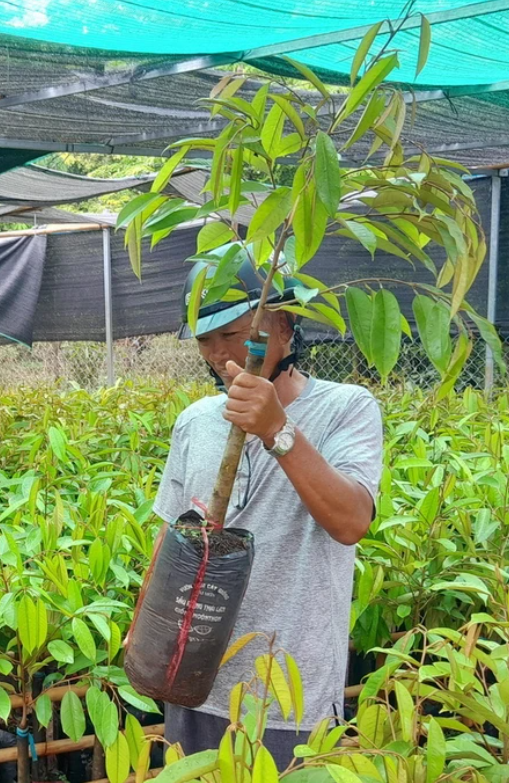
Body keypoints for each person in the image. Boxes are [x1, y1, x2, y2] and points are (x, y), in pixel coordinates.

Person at [153, 257, 384, 769]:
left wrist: (277, 431)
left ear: (283, 326)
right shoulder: (194, 423)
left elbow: (351, 523)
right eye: (202, 340)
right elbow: (173, 537)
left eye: (232, 334)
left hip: (288, 690)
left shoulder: (347, 408)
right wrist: (149, 626)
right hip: (194, 677)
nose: (216, 354)